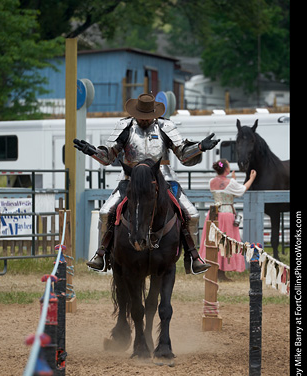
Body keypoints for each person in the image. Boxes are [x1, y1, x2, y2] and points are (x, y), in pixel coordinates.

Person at [74, 93, 220, 274]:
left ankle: (193, 256)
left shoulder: (165, 126)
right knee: (105, 213)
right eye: (141, 117)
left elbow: (182, 154)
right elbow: (109, 156)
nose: (144, 121)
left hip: (162, 178)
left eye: (147, 117)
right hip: (130, 180)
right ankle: (101, 254)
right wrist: (92, 151)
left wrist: (199, 147)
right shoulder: (125, 127)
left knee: (192, 213)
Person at [199, 159, 257, 281]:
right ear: (226, 169)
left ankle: (216, 269)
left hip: (214, 213)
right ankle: (221, 272)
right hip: (226, 214)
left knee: (214, 242)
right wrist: (251, 178)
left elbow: (225, 189)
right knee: (227, 243)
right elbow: (241, 190)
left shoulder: (212, 182)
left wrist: (233, 180)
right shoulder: (230, 183)